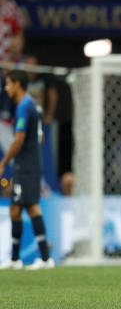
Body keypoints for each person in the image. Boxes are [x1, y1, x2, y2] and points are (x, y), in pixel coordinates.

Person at [0, 70, 55, 270]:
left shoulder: (24, 106)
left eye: (8, 84)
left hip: (26, 165)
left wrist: (3, 163)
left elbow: (19, 139)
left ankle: (45, 258)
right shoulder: (34, 104)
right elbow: (39, 137)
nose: (6, 88)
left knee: (31, 207)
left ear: (17, 84)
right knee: (16, 209)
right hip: (30, 163)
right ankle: (16, 259)